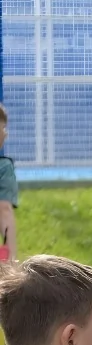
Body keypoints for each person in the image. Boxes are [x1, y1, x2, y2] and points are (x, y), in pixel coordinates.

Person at [0, 101, 18, 261]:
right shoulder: (4, 168)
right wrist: (10, 259)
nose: (6, 134)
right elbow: (4, 209)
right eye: (4, 128)